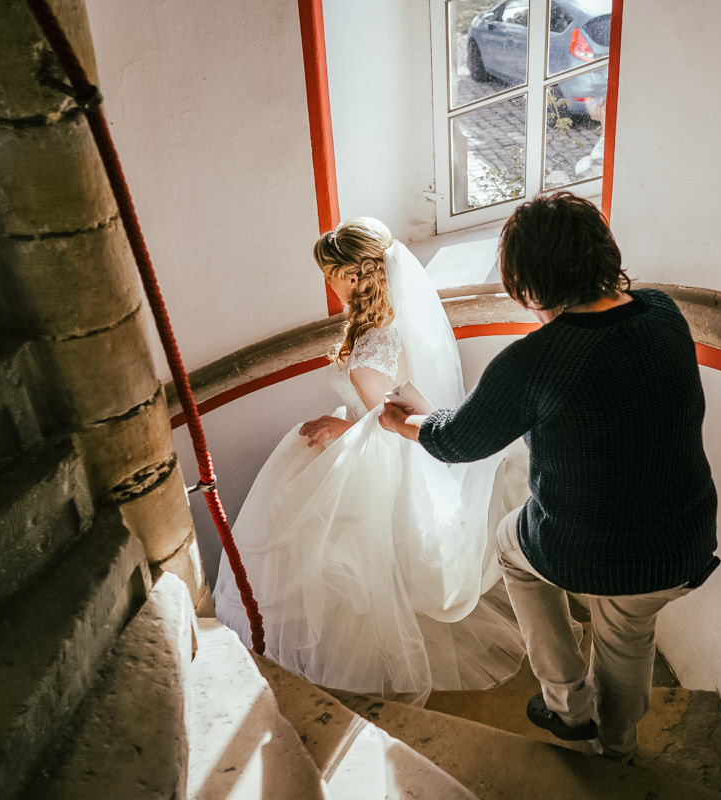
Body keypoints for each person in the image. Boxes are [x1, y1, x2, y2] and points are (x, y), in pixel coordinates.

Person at [380, 192, 720, 759]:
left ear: (528, 283)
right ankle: (618, 747)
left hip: (589, 549)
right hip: (681, 541)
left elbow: (458, 440)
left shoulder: (533, 360)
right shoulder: (663, 313)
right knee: (627, 634)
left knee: (512, 547)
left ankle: (567, 704)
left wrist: (407, 422)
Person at [213, 217, 526, 704]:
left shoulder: (373, 339)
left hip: (369, 461)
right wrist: (445, 426)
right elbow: (408, 398)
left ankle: (352, 674)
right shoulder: (390, 327)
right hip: (376, 453)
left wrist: (341, 427)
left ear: (352, 276)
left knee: (346, 566)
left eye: (331, 272)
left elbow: (383, 413)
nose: (329, 283)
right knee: (367, 565)